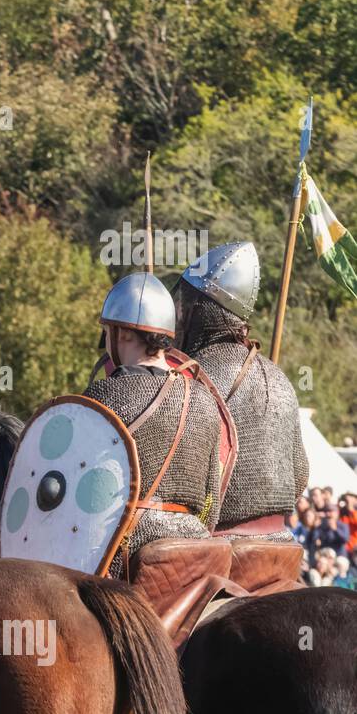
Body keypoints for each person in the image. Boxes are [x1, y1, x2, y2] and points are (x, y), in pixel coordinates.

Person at [83, 273, 223, 579]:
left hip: (123, 555)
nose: (106, 342)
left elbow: (82, 499)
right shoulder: (204, 399)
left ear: (123, 335)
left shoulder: (104, 396)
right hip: (193, 552)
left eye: (107, 332)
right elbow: (212, 504)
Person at [175, 241, 306, 543]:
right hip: (281, 545)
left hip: (215, 549)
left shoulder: (190, 378)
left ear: (199, 311)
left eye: (183, 304)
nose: (177, 315)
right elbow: (298, 475)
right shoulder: (281, 378)